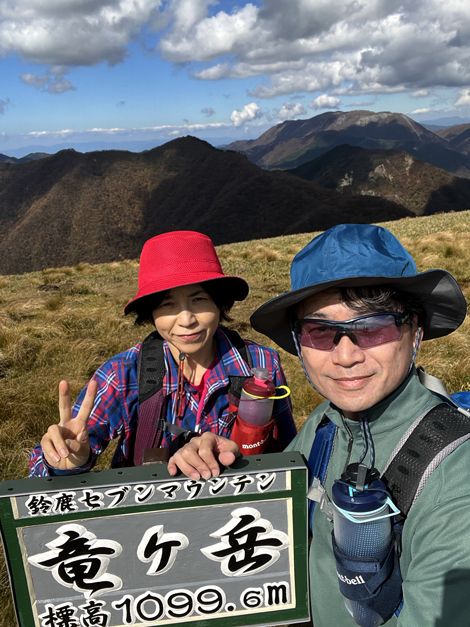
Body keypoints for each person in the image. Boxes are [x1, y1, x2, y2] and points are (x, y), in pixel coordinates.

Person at [175, 223, 470, 626]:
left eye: (372, 327)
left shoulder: (455, 473)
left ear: (415, 330)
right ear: (299, 342)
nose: (345, 356)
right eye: (320, 331)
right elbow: (269, 524)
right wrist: (221, 471)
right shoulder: (326, 424)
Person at [29, 230, 296, 478]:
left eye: (199, 299)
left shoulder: (261, 365)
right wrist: (67, 462)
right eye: (167, 304)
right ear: (151, 313)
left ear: (219, 303)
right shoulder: (122, 374)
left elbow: (288, 454)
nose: (186, 319)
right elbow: (54, 463)